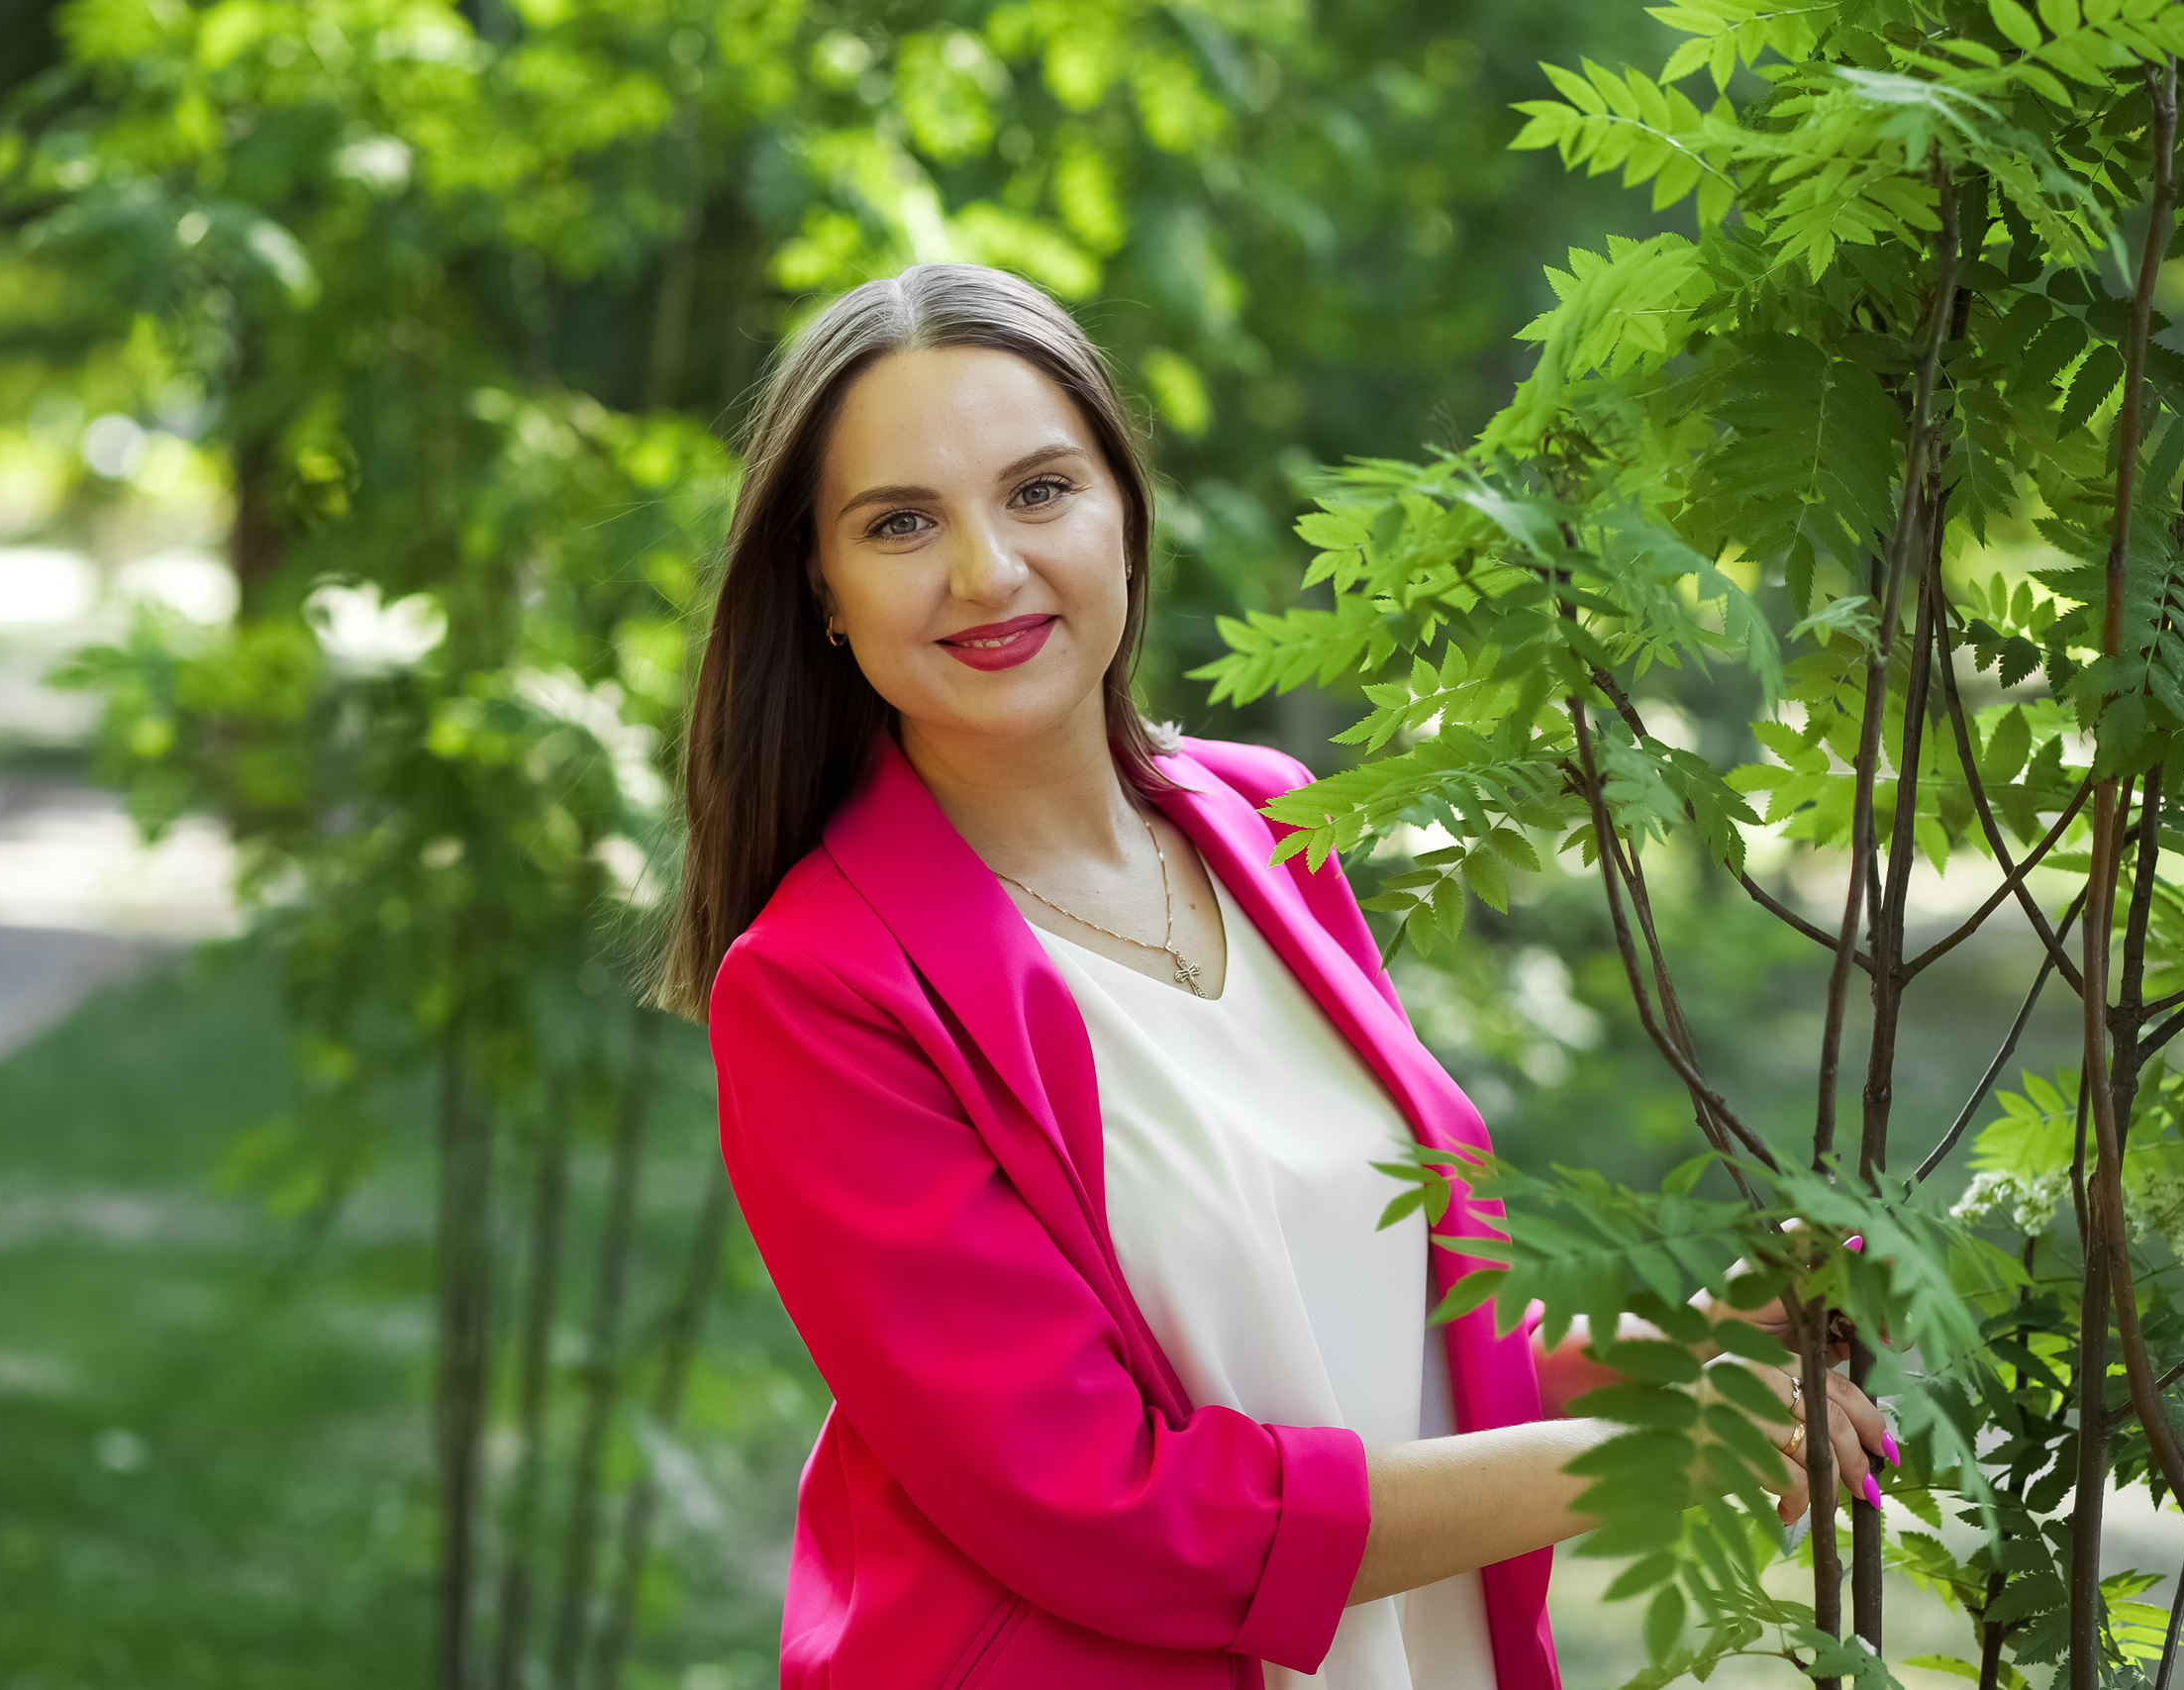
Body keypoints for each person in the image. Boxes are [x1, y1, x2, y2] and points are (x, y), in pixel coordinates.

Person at [658, 262, 1889, 1690]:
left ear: (1126, 513)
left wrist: (1689, 1343)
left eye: (1041, 491)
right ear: (821, 583)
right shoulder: (822, 989)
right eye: (901, 522)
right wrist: (1637, 1452)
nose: (987, 570)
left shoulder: (1264, 824)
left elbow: (1384, 1346)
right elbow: (1114, 1507)